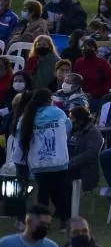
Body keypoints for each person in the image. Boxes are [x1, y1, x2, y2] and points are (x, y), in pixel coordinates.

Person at [15, 90, 72, 228]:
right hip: (59, 161)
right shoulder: (58, 113)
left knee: (43, 193)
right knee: (61, 192)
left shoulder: (26, 117)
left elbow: (19, 136)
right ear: (49, 100)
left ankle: (42, 223)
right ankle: (65, 221)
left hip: (38, 163)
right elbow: (68, 129)